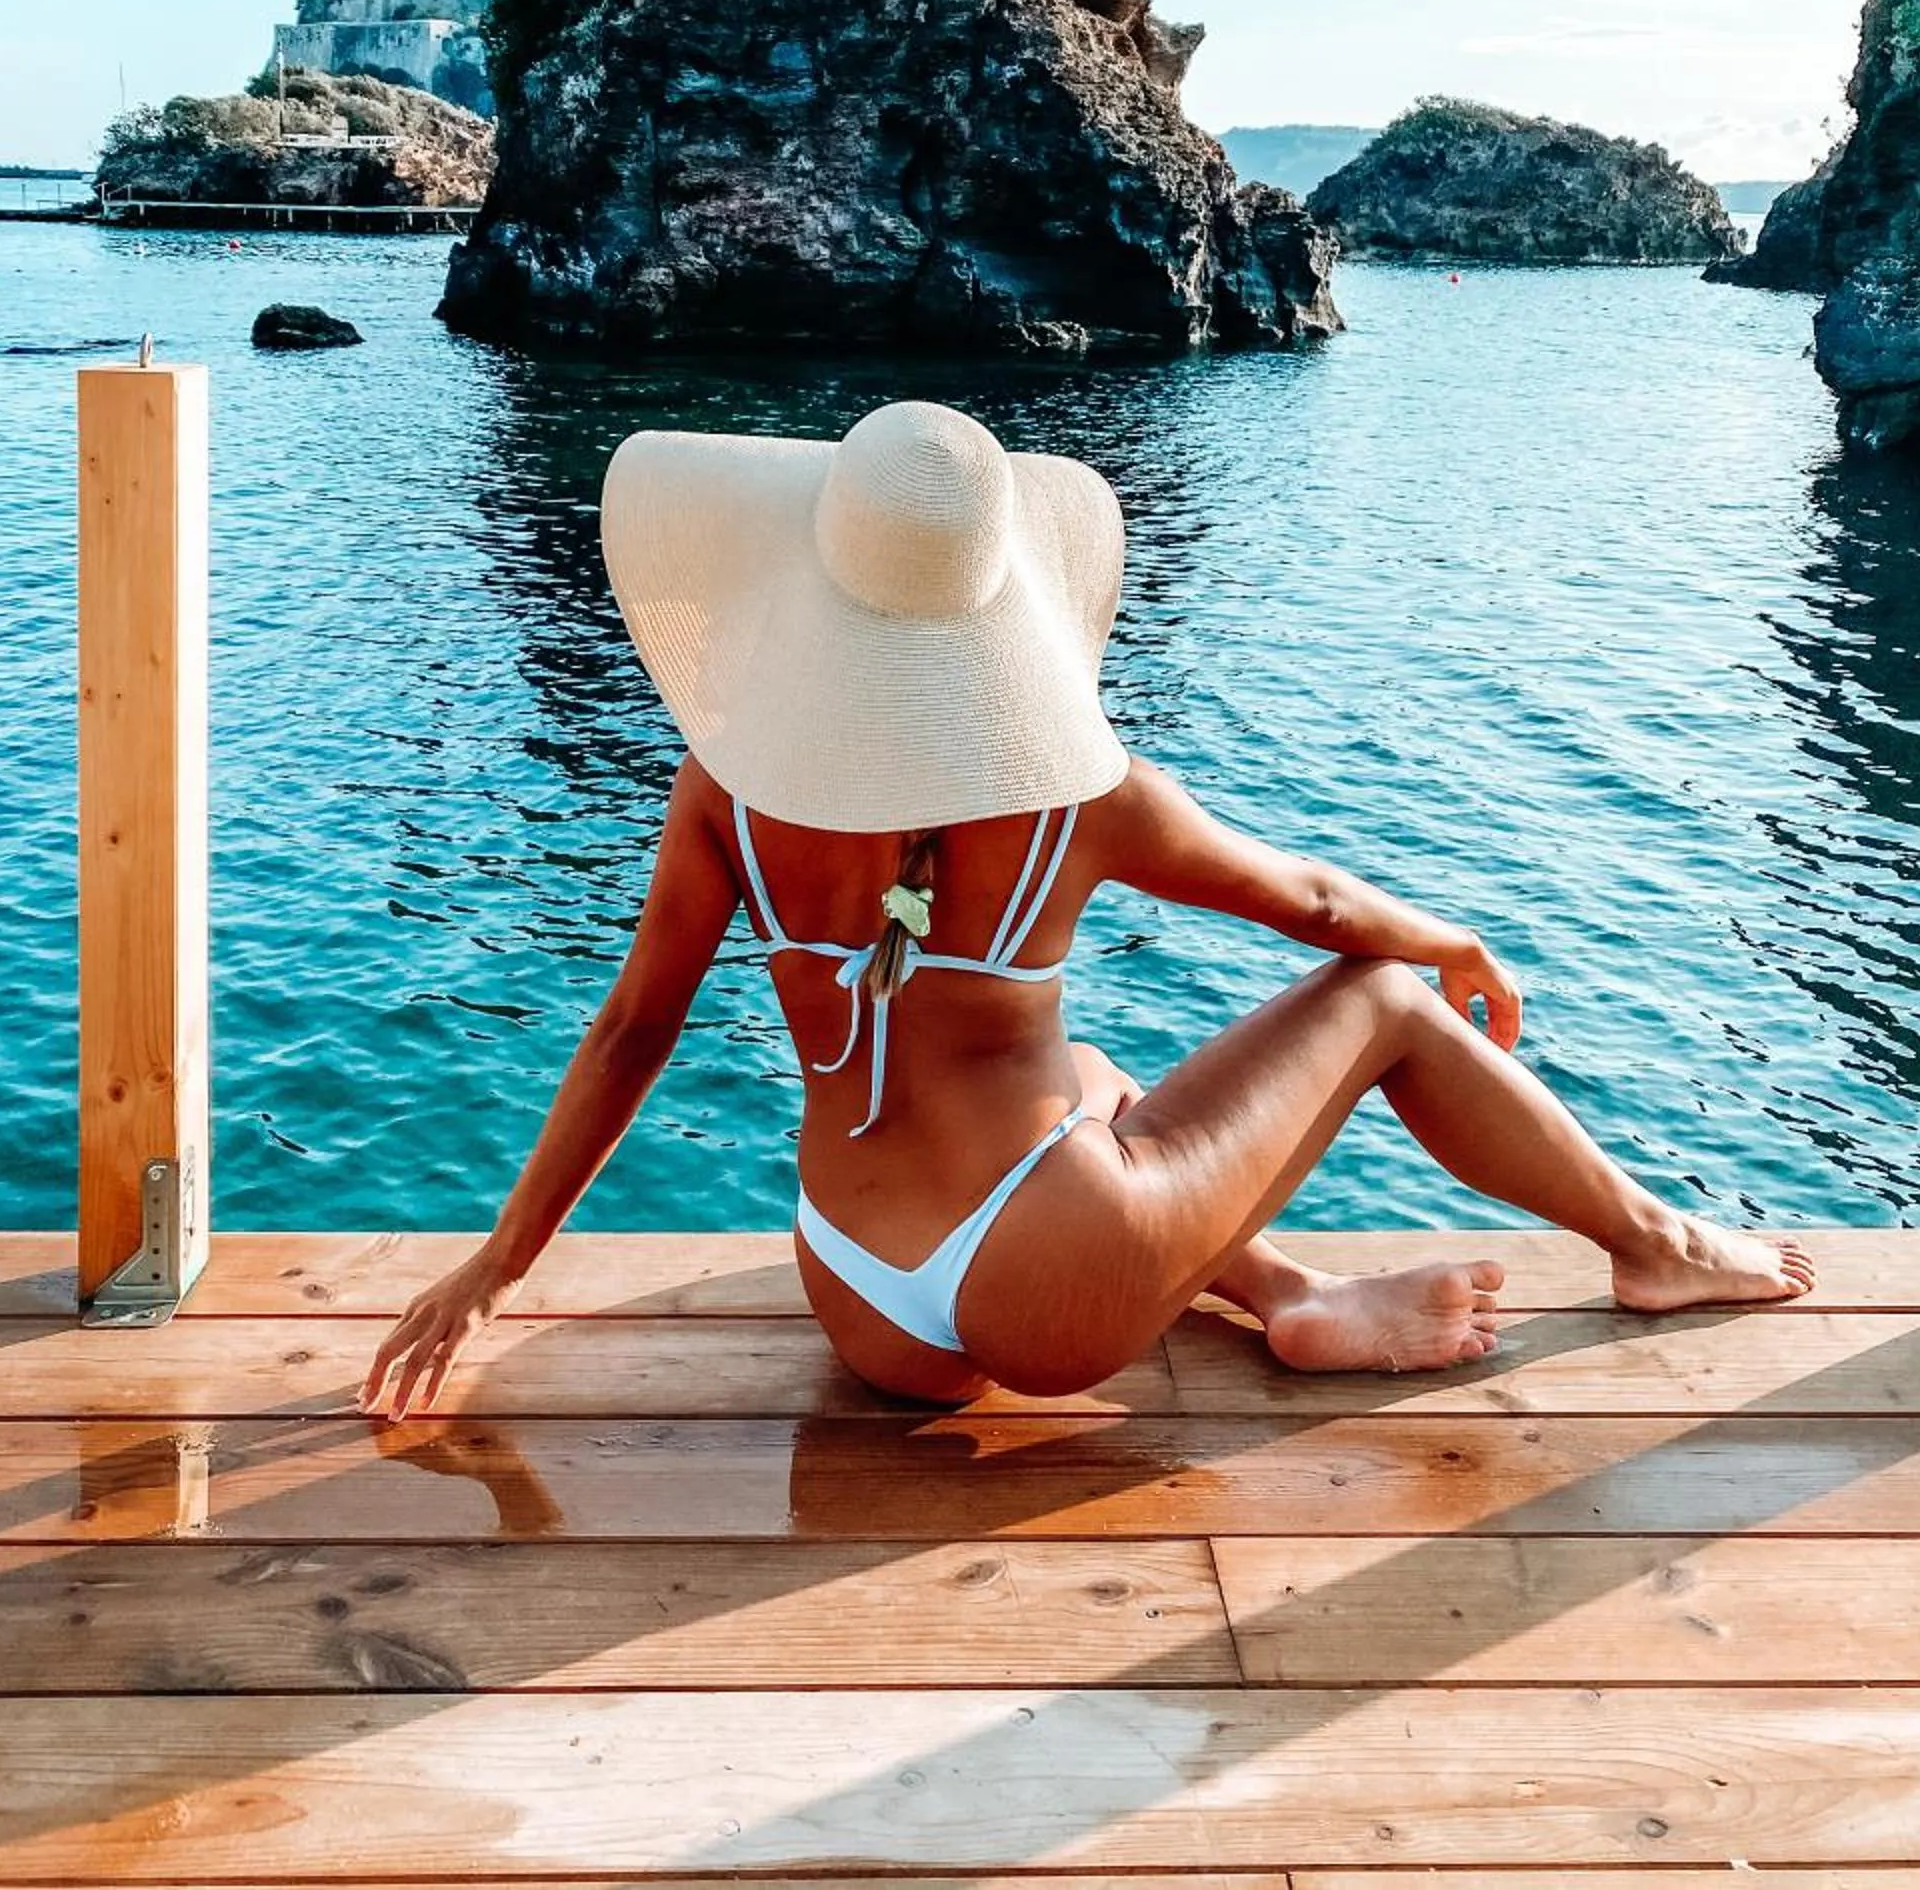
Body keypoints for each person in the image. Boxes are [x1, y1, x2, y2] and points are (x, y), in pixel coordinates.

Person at [364, 399, 1812, 1418]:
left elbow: (630, 1031)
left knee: (1094, 1081)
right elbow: (1317, 905)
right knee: (1378, 1001)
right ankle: (1657, 1247)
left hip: (860, 1300)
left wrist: (495, 1270)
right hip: (1052, 1294)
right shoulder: (1079, 798)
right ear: (1001, 613)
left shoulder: (726, 787)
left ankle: (1291, 1293)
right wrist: (1446, 940)